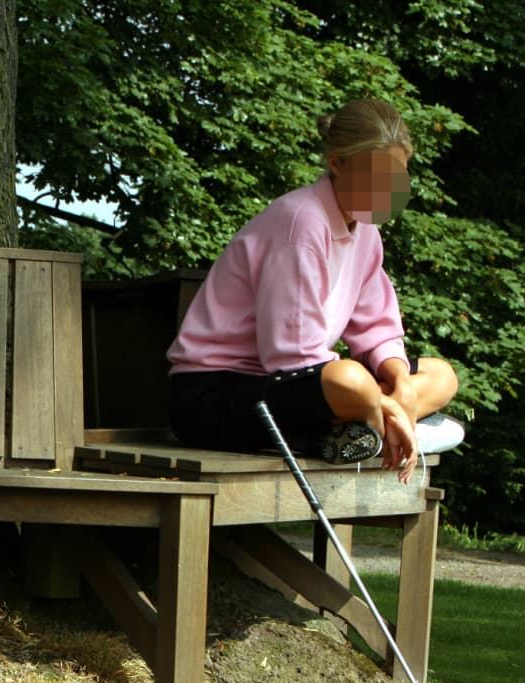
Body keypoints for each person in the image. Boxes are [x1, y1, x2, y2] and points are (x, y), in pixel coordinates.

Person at [166, 98, 463, 485]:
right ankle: (393, 428)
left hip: (297, 388)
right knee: (349, 380)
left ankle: (363, 429)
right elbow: (292, 356)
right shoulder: (300, 221)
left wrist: (402, 386)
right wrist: (388, 403)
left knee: (442, 376)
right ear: (338, 163)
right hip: (218, 396)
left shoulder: (367, 233)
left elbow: (377, 329)